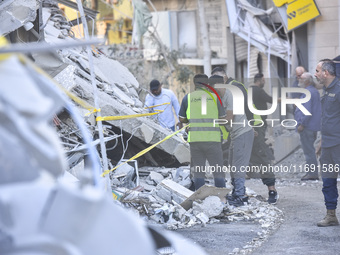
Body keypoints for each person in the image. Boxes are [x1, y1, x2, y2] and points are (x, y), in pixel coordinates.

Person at [209, 74, 254, 207]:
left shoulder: (229, 95)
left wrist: (210, 122)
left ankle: (240, 196)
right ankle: (238, 192)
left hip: (242, 133)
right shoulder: (221, 97)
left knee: (238, 166)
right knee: (232, 165)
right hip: (236, 135)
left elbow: (229, 118)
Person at [178, 74, 226, 190]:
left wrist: (191, 120)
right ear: (207, 84)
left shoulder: (188, 98)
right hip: (213, 140)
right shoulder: (215, 97)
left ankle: (200, 198)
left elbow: (181, 119)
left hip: (195, 140)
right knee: (218, 170)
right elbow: (223, 118)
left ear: (194, 84)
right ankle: (221, 198)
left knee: (199, 171)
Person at [314, 59, 340, 227]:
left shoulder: (338, 90)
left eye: (317, 71)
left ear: (325, 73)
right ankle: (331, 215)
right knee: (328, 180)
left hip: (338, 143)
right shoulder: (326, 90)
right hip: (328, 144)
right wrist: (322, 142)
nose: (315, 74)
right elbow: (327, 119)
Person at [249, 73, 278, 204]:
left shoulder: (248, 91)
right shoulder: (259, 91)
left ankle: (271, 190)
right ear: (260, 80)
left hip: (250, 128)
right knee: (262, 157)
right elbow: (272, 100)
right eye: (264, 80)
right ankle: (272, 190)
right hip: (256, 128)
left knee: (257, 157)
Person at [294, 72, 321, 181]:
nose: (299, 80)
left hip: (307, 126)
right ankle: (312, 172)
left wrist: (302, 124)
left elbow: (307, 110)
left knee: (308, 150)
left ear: (306, 81)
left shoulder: (308, 92)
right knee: (310, 150)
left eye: (301, 78)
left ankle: (312, 173)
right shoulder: (313, 91)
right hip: (312, 126)